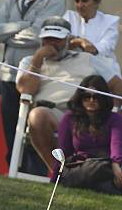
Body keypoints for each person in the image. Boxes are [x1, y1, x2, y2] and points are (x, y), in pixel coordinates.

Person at [0, 0, 66, 164]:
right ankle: (14, 177)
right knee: (11, 135)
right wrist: (22, 26)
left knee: (32, 135)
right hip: (8, 76)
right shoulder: (14, 0)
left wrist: (9, 35)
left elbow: (39, 34)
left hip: (35, 78)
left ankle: (35, 177)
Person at [16, 16, 122, 171]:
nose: (51, 44)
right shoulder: (29, 61)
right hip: (52, 113)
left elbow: (117, 86)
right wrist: (38, 58)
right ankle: (59, 173)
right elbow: (26, 90)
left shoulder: (87, 59)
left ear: (68, 39)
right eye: (47, 39)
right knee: (37, 116)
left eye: (57, 39)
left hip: (87, 114)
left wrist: (113, 109)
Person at [53, 74, 122, 194]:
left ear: (104, 98)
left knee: (107, 174)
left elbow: (116, 146)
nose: (91, 100)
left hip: (107, 165)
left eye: (96, 97)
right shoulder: (70, 118)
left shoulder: (114, 118)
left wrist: (116, 166)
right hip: (82, 167)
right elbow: (63, 152)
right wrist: (54, 180)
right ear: (80, 97)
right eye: (86, 96)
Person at [64, 0, 121, 75]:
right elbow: (61, 42)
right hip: (71, 70)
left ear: (97, 1)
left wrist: (78, 42)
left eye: (84, 0)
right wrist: (81, 41)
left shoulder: (110, 21)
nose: (80, 5)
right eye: (77, 1)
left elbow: (103, 48)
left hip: (103, 72)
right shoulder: (68, 17)